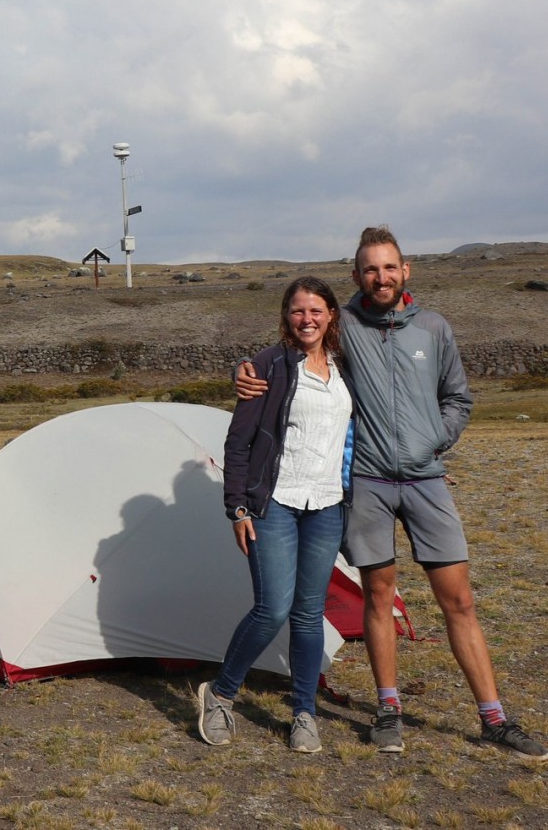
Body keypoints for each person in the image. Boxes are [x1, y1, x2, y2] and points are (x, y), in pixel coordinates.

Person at [235, 226, 548, 761]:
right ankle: (388, 711)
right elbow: (290, 350)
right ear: (356, 277)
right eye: (369, 269)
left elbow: (459, 398)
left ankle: (495, 718)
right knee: (378, 598)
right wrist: (241, 371)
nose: (380, 277)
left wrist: (434, 439)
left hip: (427, 481)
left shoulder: (433, 327)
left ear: (405, 272)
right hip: (370, 484)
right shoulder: (345, 327)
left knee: (460, 601)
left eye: (389, 268)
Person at [198, 276, 352, 754]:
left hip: (327, 504)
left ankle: (303, 713)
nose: (306, 319)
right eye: (297, 311)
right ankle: (220, 695)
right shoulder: (267, 365)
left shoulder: (348, 367)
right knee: (272, 609)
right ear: (286, 316)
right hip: (275, 504)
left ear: (331, 316)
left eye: (316, 311)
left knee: (309, 615)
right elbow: (237, 442)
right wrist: (237, 508)